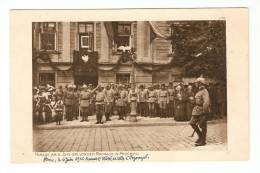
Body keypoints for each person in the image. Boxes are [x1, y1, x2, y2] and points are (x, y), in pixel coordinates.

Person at [190, 76, 211, 146]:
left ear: (200, 83)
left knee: (203, 126)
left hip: (202, 110)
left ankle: (203, 141)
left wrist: (205, 112)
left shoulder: (205, 91)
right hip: (196, 110)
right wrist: (192, 100)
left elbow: (206, 102)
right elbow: (197, 101)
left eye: (197, 83)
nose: (195, 84)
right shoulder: (199, 91)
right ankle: (200, 137)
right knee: (192, 123)